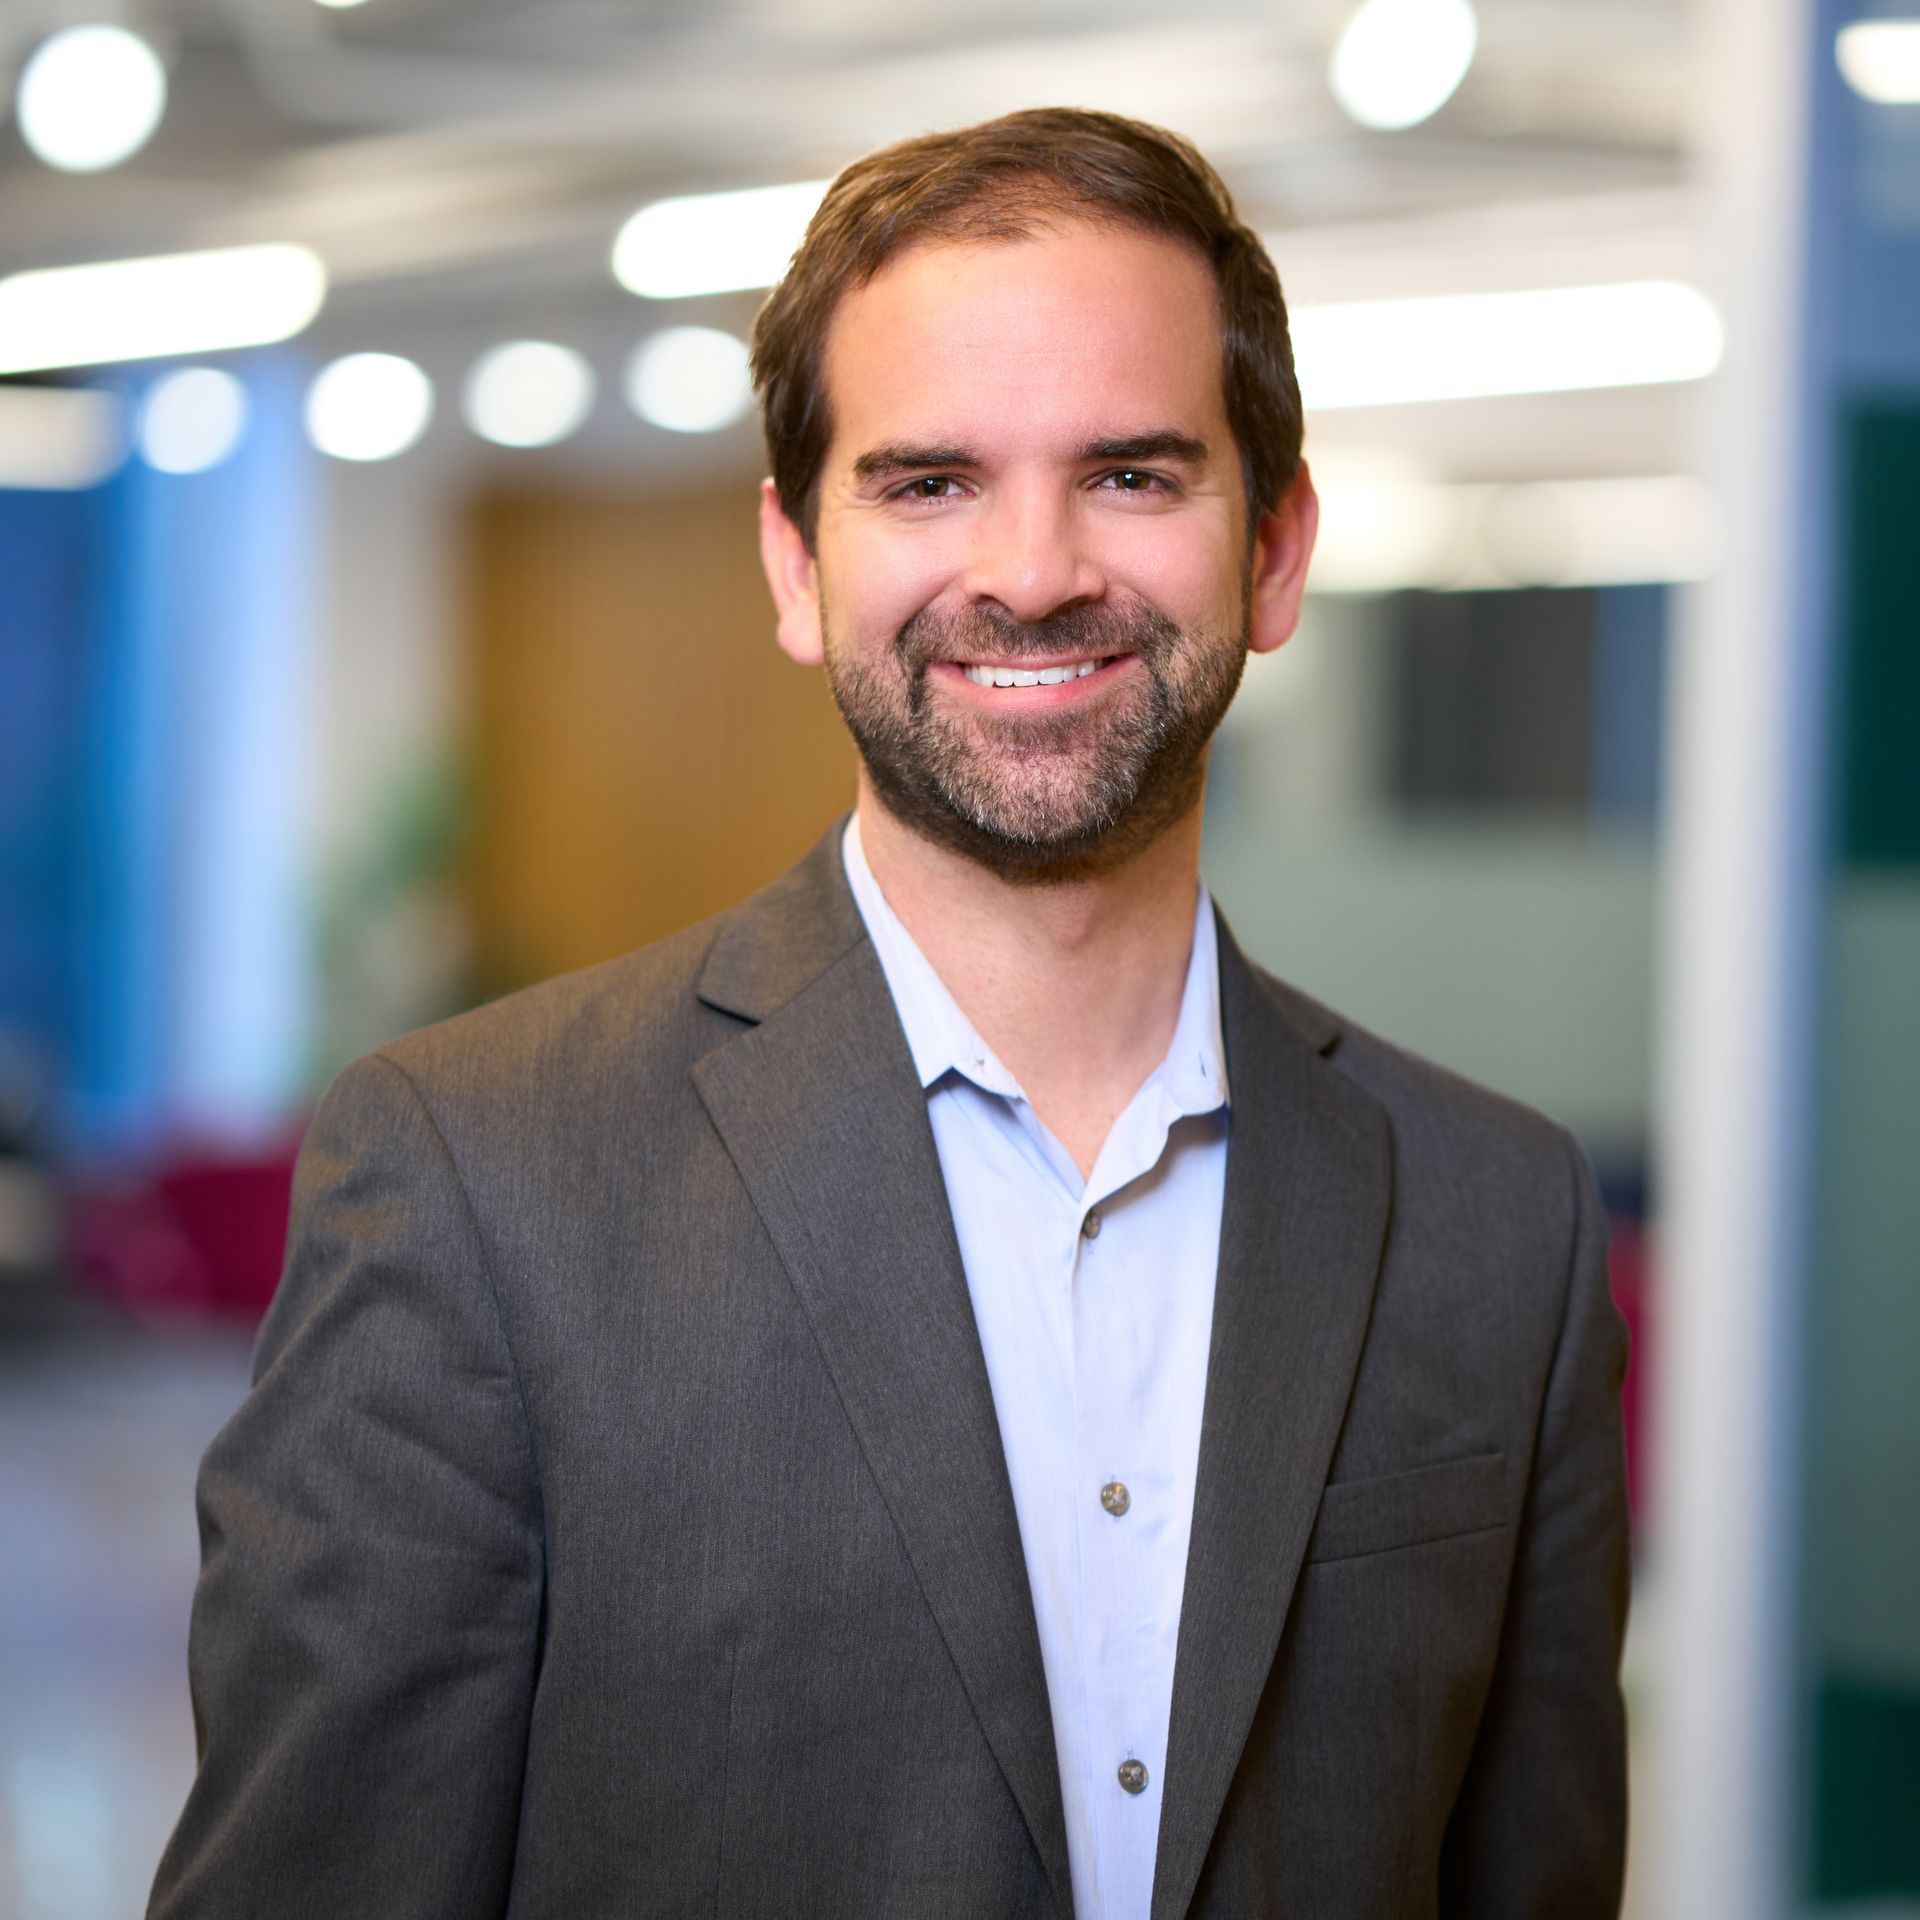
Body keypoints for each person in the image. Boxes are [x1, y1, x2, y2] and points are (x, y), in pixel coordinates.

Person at [150, 107, 1629, 1920]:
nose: (1029, 570)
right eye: (928, 481)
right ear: (796, 564)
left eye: (1135, 475)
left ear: (1277, 549)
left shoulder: (1501, 1221)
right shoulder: (479, 1183)